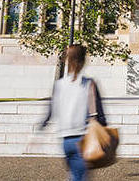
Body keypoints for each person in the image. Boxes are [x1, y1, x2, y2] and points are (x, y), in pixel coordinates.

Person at [38, 44, 107, 181]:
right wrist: (104, 132)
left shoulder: (60, 84)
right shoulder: (89, 84)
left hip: (65, 140)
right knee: (79, 177)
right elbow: (99, 113)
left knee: (75, 174)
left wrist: (42, 126)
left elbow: (51, 111)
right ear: (83, 61)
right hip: (82, 138)